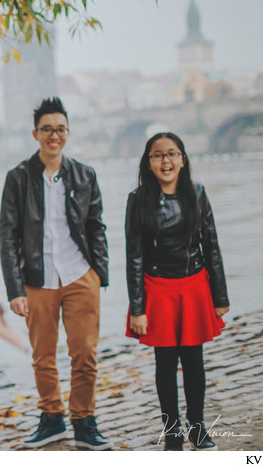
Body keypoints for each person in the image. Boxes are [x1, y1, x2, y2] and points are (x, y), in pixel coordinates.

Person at [0, 97, 111, 450]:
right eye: (46, 129)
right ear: (35, 133)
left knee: (85, 354)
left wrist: (99, 274)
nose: (53, 136)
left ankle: (84, 421)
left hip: (80, 275)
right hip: (38, 279)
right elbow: (8, 235)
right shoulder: (18, 177)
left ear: (67, 133)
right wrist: (14, 290)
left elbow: (96, 227)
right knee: (43, 356)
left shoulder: (84, 174)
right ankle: (52, 418)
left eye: (60, 129)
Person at [125, 132, 229, 451]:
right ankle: (172, 435)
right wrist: (138, 308)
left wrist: (220, 297)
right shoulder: (138, 199)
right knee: (166, 364)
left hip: (195, 285)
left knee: (194, 362)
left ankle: (197, 428)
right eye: (158, 155)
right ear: (149, 162)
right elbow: (134, 256)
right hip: (158, 289)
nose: (166, 161)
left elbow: (210, 245)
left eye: (172, 154)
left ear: (183, 159)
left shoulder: (197, 193)